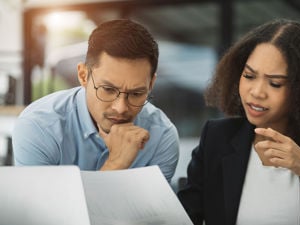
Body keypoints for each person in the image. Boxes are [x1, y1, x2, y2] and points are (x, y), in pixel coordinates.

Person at [178, 19, 300, 225]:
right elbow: (183, 218)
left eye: (275, 83)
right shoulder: (217, 137)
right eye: (249, 76)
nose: (257, 92)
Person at [12, 19, 179, 182]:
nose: (120, 108)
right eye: (108, 90)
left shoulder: (162, 138)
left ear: (151, 84)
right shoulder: (38, 127)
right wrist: (116, 164)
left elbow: (150, 210)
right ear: (83, 75)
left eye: (136, 93)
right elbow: (46, 209)